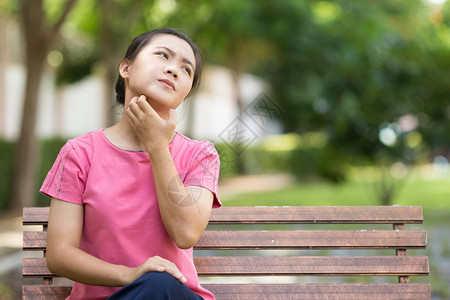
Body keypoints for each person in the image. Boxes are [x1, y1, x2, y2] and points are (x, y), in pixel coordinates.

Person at [40, 28, 221, 300]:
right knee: (153, 283)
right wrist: (130, 274)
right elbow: (59, 255)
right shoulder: (79, 153)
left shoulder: (201, 155)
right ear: (126, 67)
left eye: (186, 70)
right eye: (163, 55)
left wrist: (158, 146)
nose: (174, 70)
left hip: (171, 296)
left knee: (160, 285)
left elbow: (185, 233)